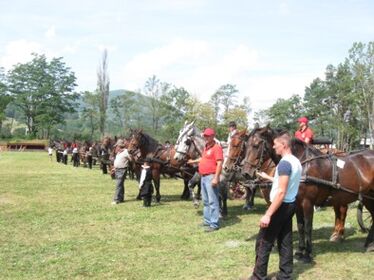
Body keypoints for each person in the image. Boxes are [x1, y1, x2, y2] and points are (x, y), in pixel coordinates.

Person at [249, 132, 302, 280]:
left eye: (276, 144)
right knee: (285, 240)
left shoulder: (284, 163)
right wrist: (270, 177)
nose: (273, 146)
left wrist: (268, 214)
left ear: (284, 145)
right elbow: (286, 182)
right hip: (290, 205)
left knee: (264, 241)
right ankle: (285, 275)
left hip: (280, 206)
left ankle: (258, 276)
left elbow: (281, 192)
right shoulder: (295, 162)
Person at [187, 128, 223, 232]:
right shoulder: (206, 148)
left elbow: (219, 163)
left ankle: (214, 224)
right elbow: (203, 159)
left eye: (207, 136)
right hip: (203, 177)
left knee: (213, 201)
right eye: (204, 136)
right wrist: (192, 161)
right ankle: (207, 221)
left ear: (212, 136)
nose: (205, 138)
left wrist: (216, 177)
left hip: (211, 177)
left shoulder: (217, 148)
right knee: (206, 201)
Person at [112, 139, 130, 205]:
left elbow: (130, 159)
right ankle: (121, 198)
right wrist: (114, 168)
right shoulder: (118, 152)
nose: (116, 147)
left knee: (118, 184)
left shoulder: (126, 152)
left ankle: (116, 199)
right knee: (120, 184)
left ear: (120, 146)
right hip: (117, 170)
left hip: (122, 170)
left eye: (116, 146)